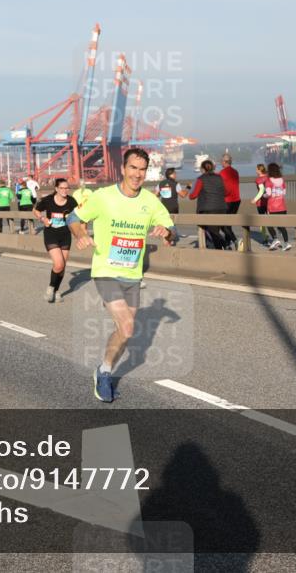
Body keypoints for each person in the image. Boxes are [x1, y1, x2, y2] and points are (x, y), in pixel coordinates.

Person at [69, 148, 176, 403]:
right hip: (105, 270)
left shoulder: (150, 202)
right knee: (128, 327)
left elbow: (172, 230)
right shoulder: (104, 197)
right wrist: (81, 234)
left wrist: (167, 232)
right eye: (133, 168)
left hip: (132, 275)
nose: (137, 174)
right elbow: (74, 217)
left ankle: (103, 369)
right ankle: (106, 375)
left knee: (124, 331)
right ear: (123, 169)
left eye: (142, 169)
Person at [34, 178, 78, 303]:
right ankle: (50, 288)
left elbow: (78, 215)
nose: (65, 190)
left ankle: (56, 291)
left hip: (65, 235)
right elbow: (36, 210)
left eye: (67, 188)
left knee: (62, 266)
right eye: (62, 188)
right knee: (58, 264)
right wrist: (43, 219)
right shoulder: (48, 200)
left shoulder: (71, 201)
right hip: (51, 234)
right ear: (56, 189)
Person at [188, 159, 228, 250]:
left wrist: (190, 192)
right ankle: (225, 245)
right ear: (213, 168)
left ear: (202, 169)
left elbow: (193, 196)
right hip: (222, 208)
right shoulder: (220, 177)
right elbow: (225, 192)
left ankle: (221, 249)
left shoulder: (200, 179)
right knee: (217, 230)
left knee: (213, 232)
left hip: (207, 209)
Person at [254, 163, 291, 250]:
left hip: (273, 207)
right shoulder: (282, 180)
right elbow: (284, 192)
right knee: (281, 226)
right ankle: (287, 243)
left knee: (268, 224)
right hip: (282, 206)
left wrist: (263, 196)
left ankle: (275, 239)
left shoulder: (269, 181)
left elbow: (269, 194)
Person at [219, 153, 242, 250]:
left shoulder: (222, 173)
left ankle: (235, 240)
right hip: (236, 200)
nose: (221, 163)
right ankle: (227, 244)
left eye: (221, 161)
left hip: (227, 201)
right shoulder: (235, 172)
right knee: (228, 224)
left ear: (225, 162)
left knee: (222, 224)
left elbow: (224, 188)